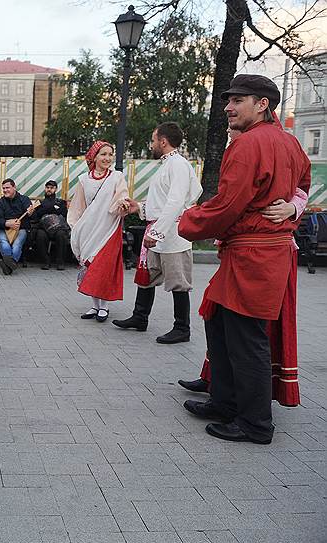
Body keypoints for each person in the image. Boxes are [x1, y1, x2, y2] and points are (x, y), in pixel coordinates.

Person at [178, 74, 311, 445]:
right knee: (219, 321)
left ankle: (255, 424)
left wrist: (185, 223)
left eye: (238, 100)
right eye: (228, 100)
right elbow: (304, 183)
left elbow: (227, 203)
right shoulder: (289, 142)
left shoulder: (248, 144)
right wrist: (295, 207)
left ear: (262, 104)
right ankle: (224, 400)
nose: (228, 107)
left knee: (247, 337)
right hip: (260, 252)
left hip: (254, 254)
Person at [113, 122, 203, 344]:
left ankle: (182, 328)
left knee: (178, 281)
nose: (152, 144)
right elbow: (161, 202)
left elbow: (175, 202)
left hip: (172, 234)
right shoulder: (167, 165)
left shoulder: (179, 165)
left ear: (163, 141)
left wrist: (159, 232)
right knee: (148, 277)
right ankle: (139, 317)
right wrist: (139, 208)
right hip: (159, 230)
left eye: (153, 140)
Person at [67, 141, 129, 322]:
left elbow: (122, 196)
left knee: (103, 267)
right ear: (94, 157)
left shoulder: (117, 177)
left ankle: (105, 307)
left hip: (108, 229)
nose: (107, 158)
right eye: (103, 154)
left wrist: (123, 203)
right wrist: (75, 227)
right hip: (89, 230)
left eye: (110, 154)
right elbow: (78, 207)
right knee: (90, 266)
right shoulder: (83, 180)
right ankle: (95, 306)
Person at [0, 178, 35, 275]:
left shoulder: (24, 200)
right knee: (4, 242)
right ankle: (11, 264)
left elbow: (33, 217)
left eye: (7, 187)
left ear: (14, 187)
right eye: (3, 188)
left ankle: (7, 265)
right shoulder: (0, 203)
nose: (5, 190)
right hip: (4, 229)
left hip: (21, 229)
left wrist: (30, 213)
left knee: (17, 244)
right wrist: (7, 223)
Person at [30, 179, 69, 270]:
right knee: (40, 235)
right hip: (43, 227)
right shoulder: (39, 203)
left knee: (61, 235)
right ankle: (45, 261)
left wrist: (46, 209)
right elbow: (36, 216)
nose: (49, 189)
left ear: (56, 189)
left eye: (52, 188)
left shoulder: (61, 202)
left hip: (58, 227)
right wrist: (53, 208)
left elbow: (63, 213)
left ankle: (60, 262)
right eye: (47, 187)